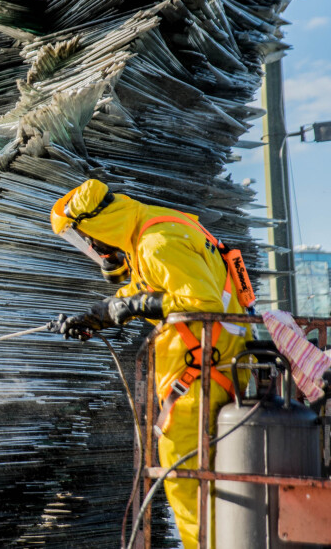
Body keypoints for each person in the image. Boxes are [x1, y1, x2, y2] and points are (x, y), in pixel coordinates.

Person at [50, 179, 252, 549]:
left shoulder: (157, 243)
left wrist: (133, 307)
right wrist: (96, 316)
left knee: (187, 484)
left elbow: (202, 302)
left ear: (99, 226)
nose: (93, 248)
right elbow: (144, 289)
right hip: (214, 371)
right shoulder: (154, 228)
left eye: (87, 239)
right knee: (205, 483)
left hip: (202, 378)